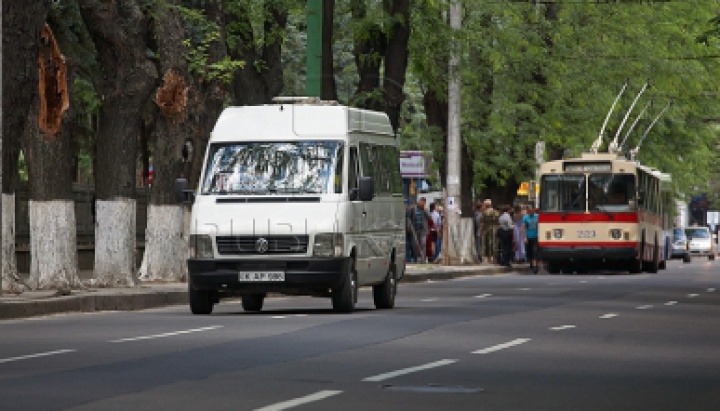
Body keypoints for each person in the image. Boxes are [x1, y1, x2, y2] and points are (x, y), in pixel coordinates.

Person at [411, 197, 432, 263]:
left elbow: (430, 218)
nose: (421, 203)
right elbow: (410, 218)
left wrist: (425, 210)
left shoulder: (425, 209)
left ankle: (423, 259)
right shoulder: (414, 208)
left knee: (423, 244)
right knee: (416, 245)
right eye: (420, 201)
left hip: (423, 230)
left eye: (423, 202)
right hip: (415, 229)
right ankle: (417, 258)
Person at [481, 199, 499, 264]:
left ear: (486, 205)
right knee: (495, 243)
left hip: (487, 229)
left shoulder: (484, 213)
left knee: (487, 243)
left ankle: (489, 259)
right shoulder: (496, 212)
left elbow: (482, 223)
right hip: (495, 229)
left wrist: (481, 231)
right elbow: (498, 221)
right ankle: (495, 259)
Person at [523, 206, 540, 273]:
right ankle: (531, 264)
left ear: (533, 210)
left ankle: (535, 266)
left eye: (531, 210)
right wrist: (525, 237)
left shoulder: (537, 216)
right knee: (529, 251)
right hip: (528, 236)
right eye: (528, 211)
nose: (530, 212)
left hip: (536, 236)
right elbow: (524, 228)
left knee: (535, 251)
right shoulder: (525, 217)